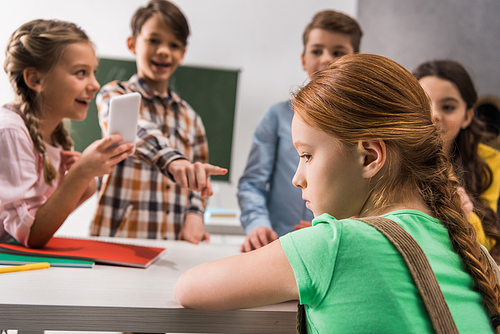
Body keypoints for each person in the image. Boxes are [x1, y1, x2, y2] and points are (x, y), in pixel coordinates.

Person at [174, 54, 500, 333]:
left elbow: (188, 288)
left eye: (306, 156)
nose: (296, 178)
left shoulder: (335, 244)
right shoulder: (474, 253)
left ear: (370, 157)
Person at [91, 0, 226, 243]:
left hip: (172, 245)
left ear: (182, 54)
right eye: (153, 40)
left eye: (174, 45)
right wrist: (174, 161)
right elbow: (139, 131)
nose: (164, 51)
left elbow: (198, 171)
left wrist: (195, 214)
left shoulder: (191, 117)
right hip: (118, 240)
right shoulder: (115, 95)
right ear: (132, 44)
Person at [0, 19, 133, 248]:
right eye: (81, 73)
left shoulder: (53, 136)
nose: (94, 85)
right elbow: (31, 237)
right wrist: (79, 174)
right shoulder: (11, 131)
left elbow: (40, 224)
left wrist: (84, 179)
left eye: (93, 73)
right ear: (35, 79)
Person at [237, 9, 363, 252]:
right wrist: (257, 225)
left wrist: (339, 230)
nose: (326, 59)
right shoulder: (276, 117)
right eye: (317, 51)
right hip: (280, 247)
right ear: (303, 58)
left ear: (354, 60)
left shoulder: (365, 123)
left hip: (340, 249)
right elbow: (252, 184)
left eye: (338, 52)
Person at [414, 60, 500, 256]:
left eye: (448, 107)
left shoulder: (489, 161)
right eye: (423, 104)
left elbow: (487, 243)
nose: (434, 114)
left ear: (468, 117)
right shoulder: (390, 154)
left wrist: (465, 215)